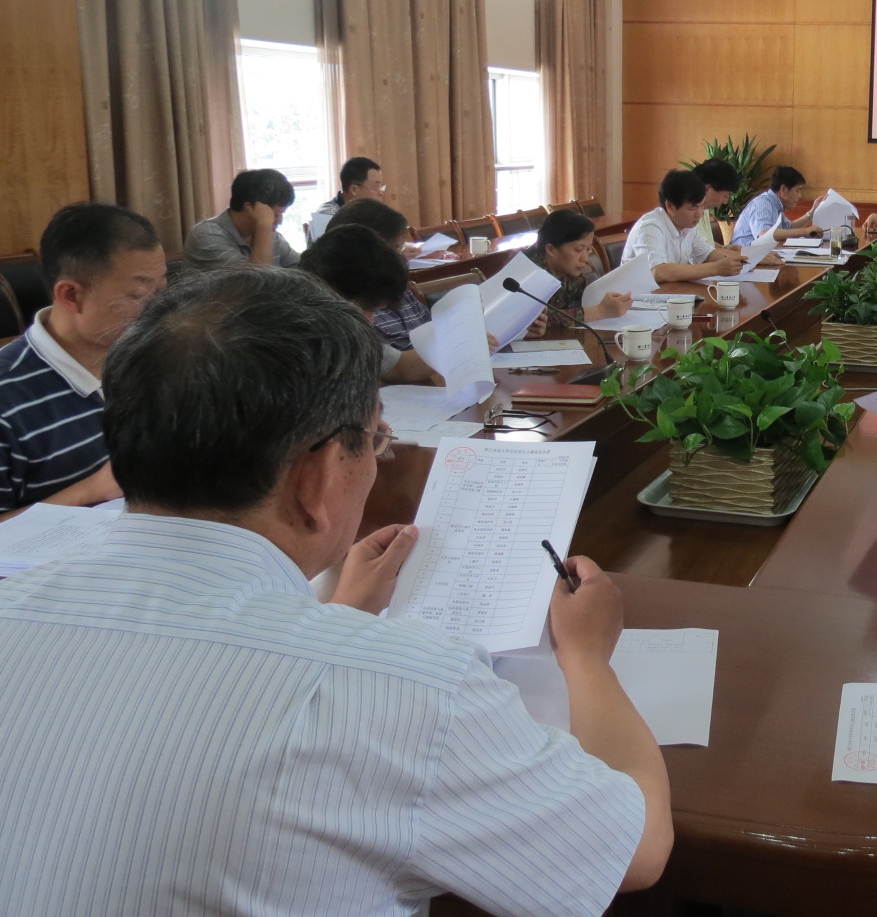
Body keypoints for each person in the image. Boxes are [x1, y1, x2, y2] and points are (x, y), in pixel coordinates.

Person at [0, 267, 671, 914]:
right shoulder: (403, 687)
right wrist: (587, 656)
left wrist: (341, 615)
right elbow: (634, 851)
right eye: (375, 439)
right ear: (317, 477)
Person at [0, 203, 166, 514]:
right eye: (138, 296)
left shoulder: (154, 357)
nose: (158, 310)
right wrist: (88, 491)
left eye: (161, 290)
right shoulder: (7, 400)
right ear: (71, 295)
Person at [299, 226, 438, 384]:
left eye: (374, 312)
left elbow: (398, 367)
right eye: (366, 310)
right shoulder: (292, 341)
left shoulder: (348, 330)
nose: (370, 322)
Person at [325, 198, 430, 349]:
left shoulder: (397, 286)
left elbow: (429, 328)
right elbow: (392, 361)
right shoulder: (348, 309)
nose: (402, 258)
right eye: (396, 249)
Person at [622, 169, 748, 283]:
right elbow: (658, 271)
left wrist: (739, 263)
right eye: (693, 208)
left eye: (702, 206)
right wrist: (716, 268)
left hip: (671, 293)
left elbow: (707, 255)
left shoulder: (687, 225)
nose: (699, 214)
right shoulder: (650, 227)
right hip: (637, 297)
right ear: (670, 206)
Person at [529, 209, 633, 329]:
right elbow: (538, 319)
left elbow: (589, 293)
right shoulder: (530, 273)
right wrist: (600, 311)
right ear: (551, 250)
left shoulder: (568, 271)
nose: (585, 258)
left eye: (588, 249)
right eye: (578, 249)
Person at [185, 168, 302, 269]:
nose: (280, 221)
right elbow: (256, 282)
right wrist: (264, 226)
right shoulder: (206, 235)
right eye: (275, 215)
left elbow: (301, 268)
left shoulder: (270, 235)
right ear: (250, 208)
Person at [731, 166, 822, 246]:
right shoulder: (763, 204)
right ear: (783, 189)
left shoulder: (775, 204)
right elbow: (764, 234)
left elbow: (789, 229)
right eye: (797, 191)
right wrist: (804, 232)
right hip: (745, 257)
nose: (799, 196)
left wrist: (812, 213)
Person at [308, 156, 387, 243]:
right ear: (354, 189)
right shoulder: (326, 215)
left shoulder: (367, 212)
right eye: (376, 187)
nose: (381, 193)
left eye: (381, 187)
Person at [689, 158, 750, 259]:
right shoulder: (688, 213)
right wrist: (752, 257)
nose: (725, 202)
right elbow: (703, 252)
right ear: (707, 189)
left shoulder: (704, 210)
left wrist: (725, 248)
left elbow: (704, 243)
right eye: (725, 195)